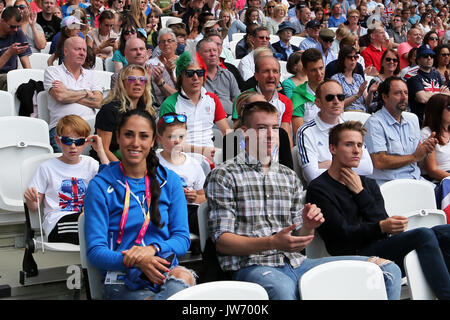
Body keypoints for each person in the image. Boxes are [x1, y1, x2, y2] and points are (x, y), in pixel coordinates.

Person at [204, 100, 402, 300]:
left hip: (298, 263)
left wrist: (308, 226)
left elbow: (298, 241)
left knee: (386, 270)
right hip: (253, 265)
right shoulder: (224, 175)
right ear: (245, 132)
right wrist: (272, 242)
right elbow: (222, 242)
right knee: (282, 291)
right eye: (262, 128)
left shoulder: (288, 176)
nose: (271, 134)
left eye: (275, 127)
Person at [305, 120, 450, 300]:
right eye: (349, 144)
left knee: (445, 232)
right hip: (351, 254)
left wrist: (360, 192)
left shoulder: (367, 183)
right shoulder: (319, 188)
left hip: (379, 246)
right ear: (333, 149)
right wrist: (380, 226)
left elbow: (381, 219)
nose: (356, 150)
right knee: (423, 235)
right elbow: (340, 237)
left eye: (359, 145)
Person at [84, 108, 196, 300]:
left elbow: (182, 239)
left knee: (183, 276)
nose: (135, 143)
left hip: (163, 269)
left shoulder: (170, 181)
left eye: (143, 136)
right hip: (120, 275)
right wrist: (137, 261)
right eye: (128, 135)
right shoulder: (100, 185)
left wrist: (153, 249)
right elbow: (96, 251)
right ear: (117, 138)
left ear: (153, 141)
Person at [24, 115, 109, 245]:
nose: (73, 146)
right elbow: (34, 206)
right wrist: (31, 200)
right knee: (94, 228)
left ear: (86, 142)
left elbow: (110, 183)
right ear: (58, 141)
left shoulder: (91, 164)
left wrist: (101, 151)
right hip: (58, 222)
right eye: (67, 141)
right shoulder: (47, 168)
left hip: (87, 218)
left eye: (79, 142)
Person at [364, 76, 438, 186]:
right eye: (398, 93)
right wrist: (414, 157)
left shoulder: (412, 119)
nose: (404, 97)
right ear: (384, 96)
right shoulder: (374, 123)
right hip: (389, 184)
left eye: (406, 93)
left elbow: (419, 162)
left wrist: (426, 150)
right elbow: (379, 162)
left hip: (416, 179)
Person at [297, 79, 373, 185]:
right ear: (318, 102)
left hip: (353, 189)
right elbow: (312, 176)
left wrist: (330, 164)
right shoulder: (305, 132)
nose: (336, 101)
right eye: (329, 98)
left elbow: (368, 168)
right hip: (324, 192)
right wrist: (349, 164)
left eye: (340, 97)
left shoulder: (351, 128)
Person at [159, 51, 230, 160]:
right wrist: (203, 152)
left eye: (200, 72)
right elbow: (171, 144)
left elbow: (226, 132)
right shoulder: (170, 104)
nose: (196, 77)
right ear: (180, 77)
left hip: (211, 157)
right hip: (181, 158)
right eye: (190, 73)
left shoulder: (212, 99)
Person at [44, 36, 103, 152]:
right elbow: (60, 96)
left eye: (84, 50)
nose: (82, 53)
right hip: (63, 129)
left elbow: (99, 102)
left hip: (90, 128)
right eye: (77, 49)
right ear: (65, 51)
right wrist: (87, 92)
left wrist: (68, 93)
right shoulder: (53, 71)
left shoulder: (92, 75)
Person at [94, 64, 155, 162]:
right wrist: (125, 170)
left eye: (142, 80)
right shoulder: (109, 110)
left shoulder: (147, 110)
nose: (138, 83)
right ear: (122, 83)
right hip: (110, 163)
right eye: (131, 79)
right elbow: (104, 149)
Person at [233, 55, 293, 146]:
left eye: (275, 71)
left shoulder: (286, 102)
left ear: (280, 76)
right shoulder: (242, 98)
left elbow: (285, 137)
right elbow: (237, 134)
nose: (271, 75)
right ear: (256, 76)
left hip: (274, 151)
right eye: (266, 71)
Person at [407, 44, 449, 126]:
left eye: (431, 56)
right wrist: (441, 94)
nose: (429, 58)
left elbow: (448, 95)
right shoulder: (413, 77)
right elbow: (422, 98)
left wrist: (429, 94)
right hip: (422, 121)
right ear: (418, 59)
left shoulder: (436, 74)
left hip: (439, 120)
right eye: (425, 56)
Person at [197, 38, 240, 116]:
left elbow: (237, 100)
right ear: (199, 55)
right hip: (207, 119)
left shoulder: (228, 74)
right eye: (207, 51)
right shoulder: (195, 76)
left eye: (215, 50)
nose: (212, 54)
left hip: (230, 117)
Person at [291, 48, 324, 138]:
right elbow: (300, 134)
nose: (319, 73)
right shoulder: (298, 97)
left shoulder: (332, 91)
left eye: (321, 68)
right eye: (313, 70)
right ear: (304, 70)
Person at [0, 6, 32, 90]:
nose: (15, 30)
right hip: (4, 77)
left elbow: (25, 60)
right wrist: (9, 52)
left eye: (18, 26)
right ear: (2, 21)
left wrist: (32, 78)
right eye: (12, 26)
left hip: (13, 74)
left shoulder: (18, 32)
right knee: (10, 81)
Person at [420, 94, 450, 182]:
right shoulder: (427, 133)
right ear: (437, 110)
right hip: (439, 180)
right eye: (449, 107)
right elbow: (432, 171)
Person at [331, 45, 369, 112]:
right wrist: (357, 95)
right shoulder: (335, 79)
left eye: (355, 57)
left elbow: (367, 103)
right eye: (349, 57)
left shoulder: (359, 78)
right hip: (346, 115)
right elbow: (338, 104)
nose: (353, 60)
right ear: (342, 60)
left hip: (362, 114)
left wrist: (371, 92)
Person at [147, 28, 178, 108]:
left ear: (176, 44)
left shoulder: (184, 62)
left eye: (169, 41)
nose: (166, 44)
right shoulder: (151, 64)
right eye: (163, 41)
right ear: (159, 45)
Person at [366, 49, 401, 113]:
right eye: (388, 59)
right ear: (382, 62)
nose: (391, 62)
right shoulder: (375, 81)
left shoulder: (400, 81)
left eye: (395, 60)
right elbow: (370, 106)